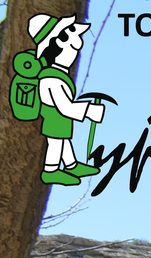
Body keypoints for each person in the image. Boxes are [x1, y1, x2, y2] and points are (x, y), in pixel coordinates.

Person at [23, 13, 103, 185]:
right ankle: (51, 170)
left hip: (60, 120)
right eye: (73, 48)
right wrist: (89, 110)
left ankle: (71, 164)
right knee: (56, 143)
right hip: (54, 119)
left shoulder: (59, 75)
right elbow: (65, 107)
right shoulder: (51, 79)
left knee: (64, 141)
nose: (75, 53)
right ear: (58, 44)